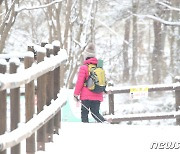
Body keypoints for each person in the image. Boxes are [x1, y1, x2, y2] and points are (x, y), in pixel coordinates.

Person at [74, 43, 107, 123]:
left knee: (84, 114)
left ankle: (85, 131)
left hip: (86, 96)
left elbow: (80, 82)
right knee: (95, 113)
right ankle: (105, 124)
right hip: (98, 93)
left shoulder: (84, 68)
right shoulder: (99, 67)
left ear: (86, 56)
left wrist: (76, 94)